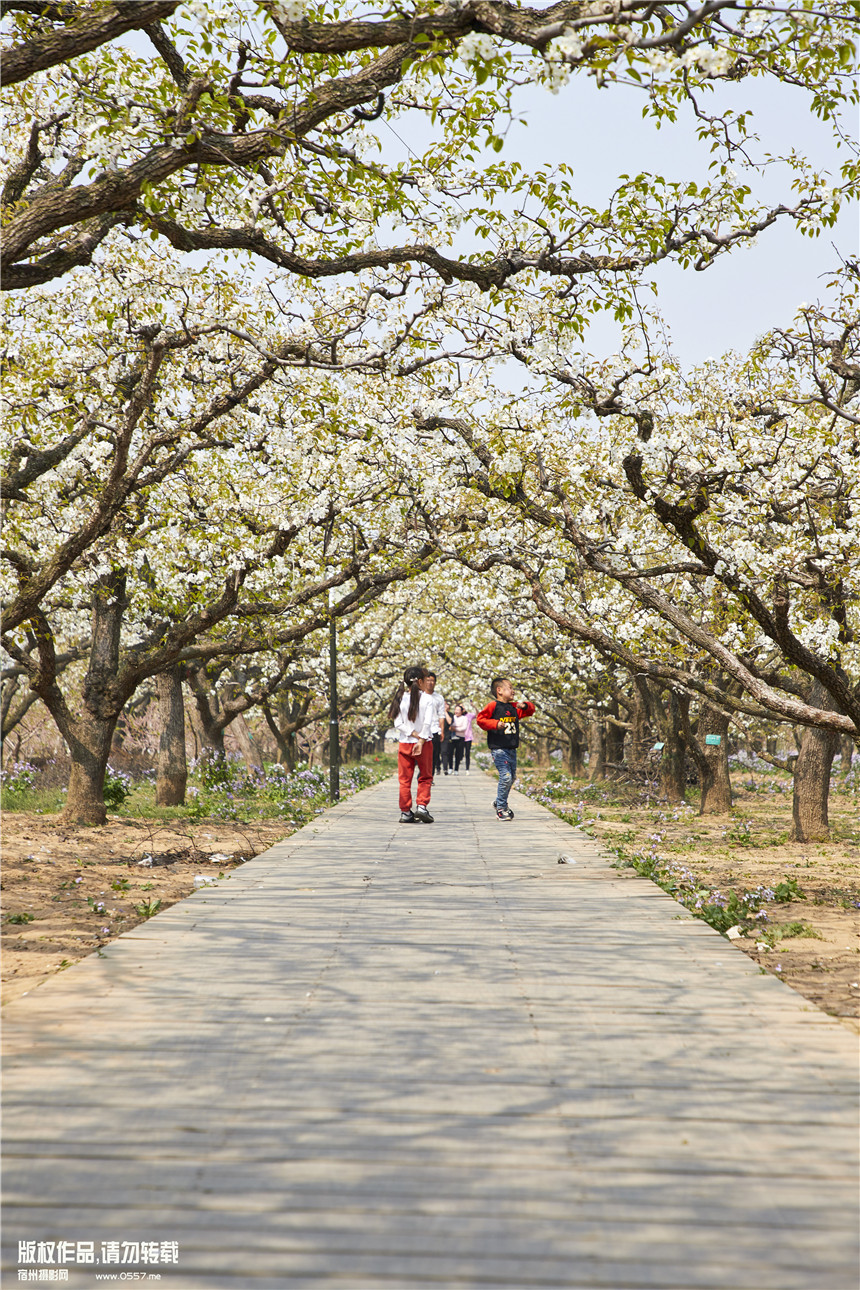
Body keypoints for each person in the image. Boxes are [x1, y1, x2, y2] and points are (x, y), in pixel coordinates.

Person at [476, 678, 535, 821]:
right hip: (499, 748)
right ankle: (501, 808)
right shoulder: (493, 706)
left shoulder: (514, 707)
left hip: (511, 749)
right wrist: (495, 724)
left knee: (512, 777)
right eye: (510, 687)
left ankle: (499, 801)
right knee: (506, 776)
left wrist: (525, 705)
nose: (513, 690)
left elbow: (531, 710)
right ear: (499, 690)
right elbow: (480, 719)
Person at [388, 666, 439, 823]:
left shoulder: (400, 698)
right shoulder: (428, 699)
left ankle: (405, 812)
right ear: (420, 681)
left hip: (405, 744)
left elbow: (398, 724)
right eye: (426, 679)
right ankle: (422, 807)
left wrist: (412, 734)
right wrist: (421, 739)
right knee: (425, 776)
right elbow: (427, 722)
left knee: (404, 780)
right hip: (424, 744)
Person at [425, 672, 446, 776]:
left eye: (432, 680)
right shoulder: (420, 696)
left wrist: (441, 731)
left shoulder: (439, 698)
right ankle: (423, 774)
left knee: (434, 755)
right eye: (428, 680)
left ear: (435, 682)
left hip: (434, 730)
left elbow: (441, 715)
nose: (430, 683)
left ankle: (430, 776)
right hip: (421, 731)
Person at [450, 703, 470, 774]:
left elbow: (464, 728)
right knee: (450, 753)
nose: (456, 711)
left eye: (458, 710)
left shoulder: (464, 718)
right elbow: (450, 725)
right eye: (456, 709)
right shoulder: (452, 717)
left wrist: (455, 729)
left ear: (461, 711)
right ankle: (450, 768)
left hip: (460, 737)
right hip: (452, 737)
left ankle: (456, 769)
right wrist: (456, 727)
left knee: (458, 754)